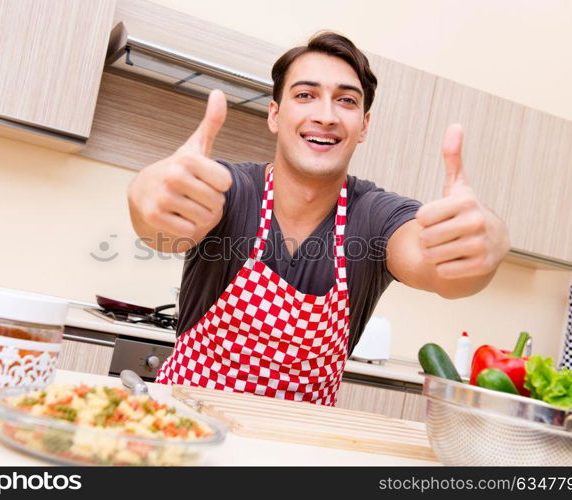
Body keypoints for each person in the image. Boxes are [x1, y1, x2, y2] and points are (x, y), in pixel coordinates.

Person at [127, 32, 510, 406]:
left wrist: (480, 244)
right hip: (184, 428)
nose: (325, 116)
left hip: (297, 451)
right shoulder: (229, 190)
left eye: (345, 100)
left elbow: (438, 265)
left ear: (364, 126)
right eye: (305, 95)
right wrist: (145, 195)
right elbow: (157, 223)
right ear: (275, 115)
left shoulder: (374, 218)